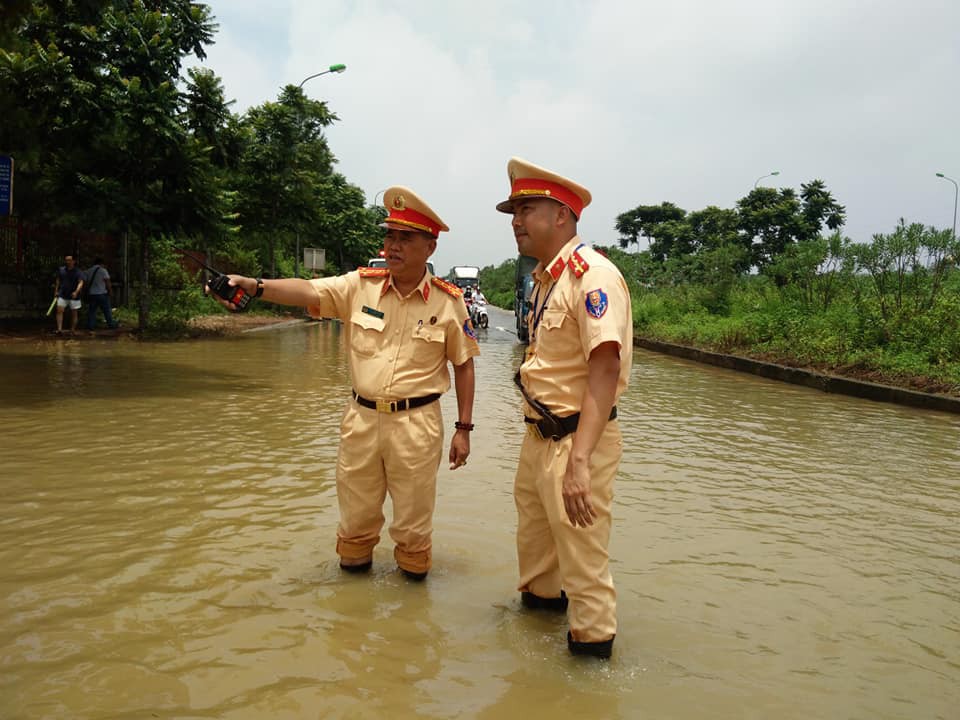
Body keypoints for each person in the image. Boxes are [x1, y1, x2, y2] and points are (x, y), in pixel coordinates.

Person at [208, 186, 479, 581]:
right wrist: (255, 285)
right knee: (355, 522)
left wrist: (464, 429)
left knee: (413, 526)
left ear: (430, 247)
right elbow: (309, 290)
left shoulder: (448, 302)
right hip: (362, 420)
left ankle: (409, 622)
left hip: (417, 424)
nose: (393, 246)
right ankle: (351, 611)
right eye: (389, 236)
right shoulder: (359, 286)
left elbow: (464, 364)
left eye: (406, 238)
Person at [495, 157, 633, 658]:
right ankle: (534, 664)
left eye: (525, 208)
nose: (515, 220)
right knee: (536, 561)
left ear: (561, 215)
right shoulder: (546, 280)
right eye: (513, 210)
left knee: (583, 562)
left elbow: (604, 372)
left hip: (578, 442)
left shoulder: (592, 277)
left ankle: (591, 670)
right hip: (540, 439)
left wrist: (579, 462)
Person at [53, 254, 85, 335]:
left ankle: (72, 330)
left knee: (74, 313)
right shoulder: (61, 270)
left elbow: (81, 282)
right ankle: (59, 329)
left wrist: (76, 292)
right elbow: (58, 281)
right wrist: (56, 291)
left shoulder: (78, 272)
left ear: (74, 261)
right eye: (66, 260)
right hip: (62, 294)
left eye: (70, 260)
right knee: (59, 310)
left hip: (74, 296)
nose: (68, 262)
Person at [84, 257, 118, 330]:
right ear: (101, 264)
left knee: (92, 311)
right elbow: (107, 282)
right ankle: (111, 324)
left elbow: (85, 282)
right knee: (107, 310)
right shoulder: (103, 271)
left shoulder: (88, 271)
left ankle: (91, 325)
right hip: (102, 294)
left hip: (92, 294)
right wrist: (111, 291)